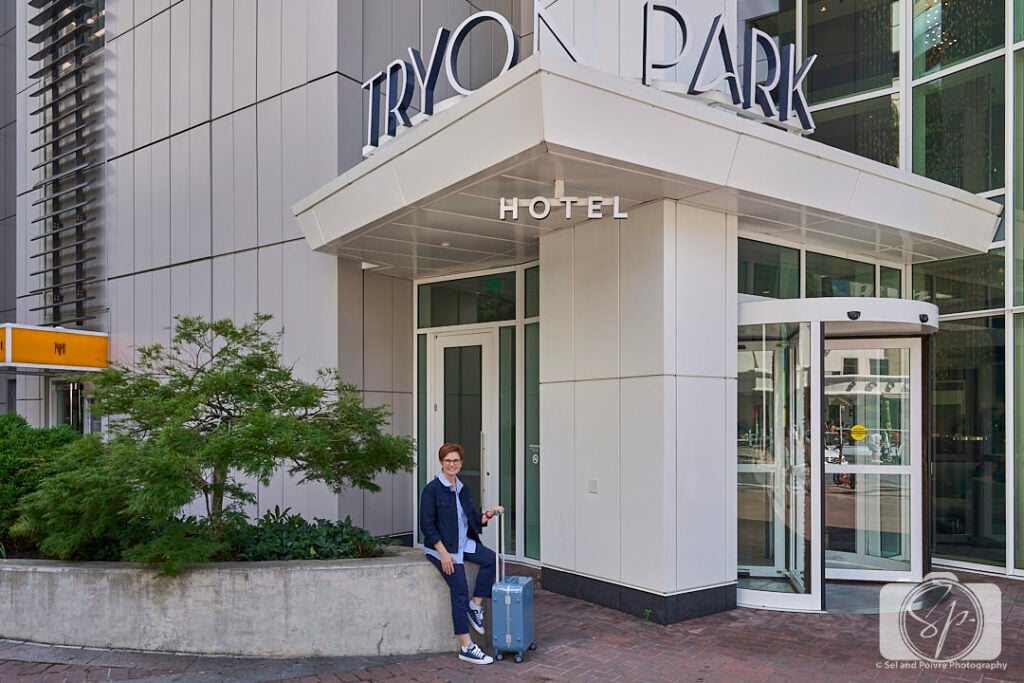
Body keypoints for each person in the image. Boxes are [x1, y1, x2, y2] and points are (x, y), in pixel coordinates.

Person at [420, 442, 504, 665]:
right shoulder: (431, 490)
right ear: (441, 463)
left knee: (491, 559)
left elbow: (473, 520)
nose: (452, 464)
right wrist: (444, 554)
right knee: (459, 589)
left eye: (456, 460)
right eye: (448, 461)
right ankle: (466, 647)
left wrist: (490, 513)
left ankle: (475, 605)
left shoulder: (463, 489)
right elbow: (427, 526)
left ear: (461, 463)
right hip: (442, 549)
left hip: (463, 543)